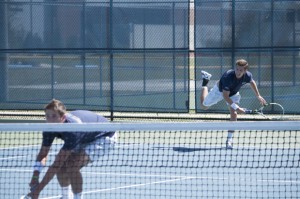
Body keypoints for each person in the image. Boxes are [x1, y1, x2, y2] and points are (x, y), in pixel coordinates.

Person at [27, 99, 117, 199]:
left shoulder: (73, 130)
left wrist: (38, 190)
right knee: (62, 169)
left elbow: (56, 164)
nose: (50, 119)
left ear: (63, 117)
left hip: (103, 135)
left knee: (72, 165)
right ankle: (66, 197)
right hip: (84, 136)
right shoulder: (49, 129)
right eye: (47, 116)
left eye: (54, 116)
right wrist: (35, 177)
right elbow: (43, 154)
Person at [200, 59, 267, 149]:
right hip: (220, 92)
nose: (238, 72)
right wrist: (237, 108)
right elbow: (225, 96)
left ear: (245, 70)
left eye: (241, 70)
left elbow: (252, 82)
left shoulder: (247, 75)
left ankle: (229, 140)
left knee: (234, 114)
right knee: (204, 106)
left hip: (234, 93)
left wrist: (258, 95)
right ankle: (205, 82)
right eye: (237, 69)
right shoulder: (228, 77)